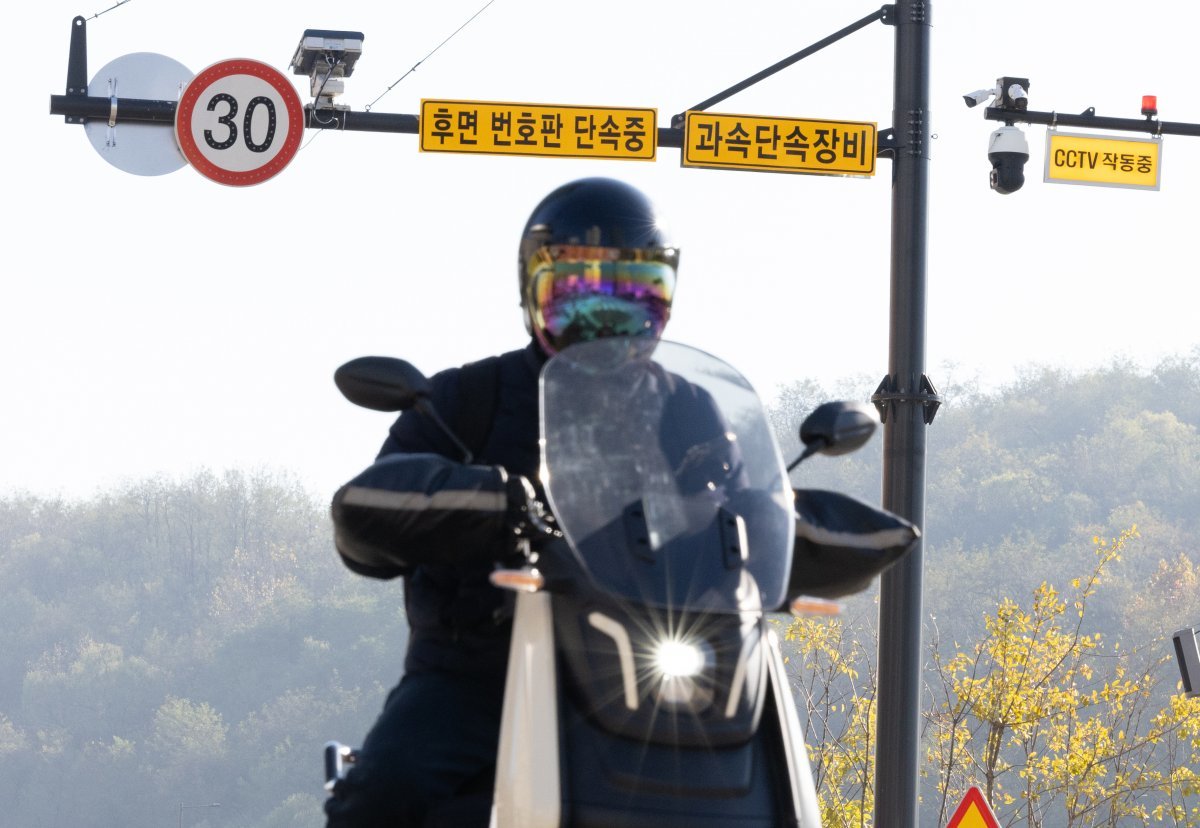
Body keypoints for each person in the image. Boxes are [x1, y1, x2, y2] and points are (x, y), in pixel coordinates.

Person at [323, 177, 681, 827]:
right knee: (385, 790)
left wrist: (792, 528)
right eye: (577, 300)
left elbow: (746, 503)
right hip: (476, 676)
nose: (603, 323)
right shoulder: (463, 399)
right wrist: (485, 499)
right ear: (531, 294)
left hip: (652, 672)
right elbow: (366, 515)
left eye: (631, 299)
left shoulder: (690, 414)